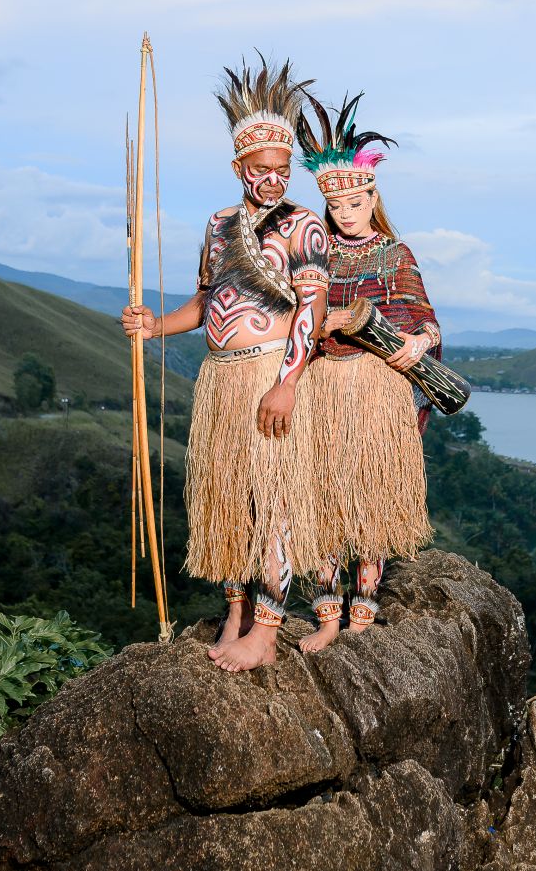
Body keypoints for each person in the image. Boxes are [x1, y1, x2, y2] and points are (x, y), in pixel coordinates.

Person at [121, 57, 328, 671]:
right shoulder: (219, 226)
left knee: (273, 498)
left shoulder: (303, 226)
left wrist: (286, 383)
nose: (274, 180)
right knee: (229, 498)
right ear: (240, 167)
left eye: (283, 169)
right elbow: (206, 301)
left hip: (270, 373)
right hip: (220, 379)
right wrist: (155, 325)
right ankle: (235, 613)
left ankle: (266, 630)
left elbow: (313, 309)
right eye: (262, 169)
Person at [294, 93, 438, 653]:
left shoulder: (396, 254)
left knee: (373, 494)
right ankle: (327, 613)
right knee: (325, 494)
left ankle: (363, 610)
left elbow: (426, 321)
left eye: (355, 202)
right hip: (324, 385)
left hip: (378, 388)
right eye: (336, 206)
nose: (346, 213)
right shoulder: (316, 254)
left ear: (372, 197)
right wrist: (321, 323)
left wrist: (417, 342)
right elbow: (295, 315)